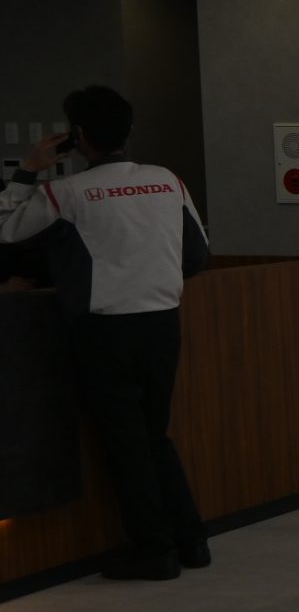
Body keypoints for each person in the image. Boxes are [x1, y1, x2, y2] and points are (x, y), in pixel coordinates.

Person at [0, 87, 212, 580]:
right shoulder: (167, 181)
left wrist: (28, 169)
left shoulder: (67, 192)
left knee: (125, 442)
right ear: (128, 130)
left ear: (77, 136)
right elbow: (197, 255)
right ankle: (192, 541)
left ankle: (155, 551)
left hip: (104, 329)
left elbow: (6, 229)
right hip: (162, 322)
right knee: (154, 435)